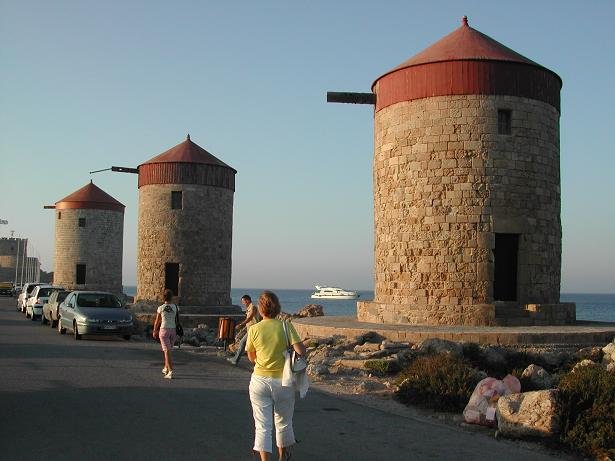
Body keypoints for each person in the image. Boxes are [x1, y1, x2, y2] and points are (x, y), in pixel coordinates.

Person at [246, 290, 306, 461]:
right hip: (283, 381)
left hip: (259, 380)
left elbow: (251, 356)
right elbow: (301, 351)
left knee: (262, 426)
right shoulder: (286, 326)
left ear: (260, 309)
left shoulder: (254, 329)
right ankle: (282, 457)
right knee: (284, 422)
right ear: (277, 308)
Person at [227, 294, 261, 366]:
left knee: (243, 342)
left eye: (243, 302)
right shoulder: (249, 308)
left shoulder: (253, 307)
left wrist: (241, 325)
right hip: (250, 330)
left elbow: (250, 318)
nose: (243, 303)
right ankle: (236, 359)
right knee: (249, 345)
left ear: (247, 300)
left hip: (254, 330)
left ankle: (236, 360)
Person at [152, 289, 179, 379]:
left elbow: (157, 321)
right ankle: (165, 368)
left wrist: (154, 330)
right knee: (168, 351)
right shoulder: (176, 307)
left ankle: (170, 371)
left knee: (167, 351)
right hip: (173, 331)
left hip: (164, 330)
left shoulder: (160, 308)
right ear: (172, 297)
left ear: (163, 297)